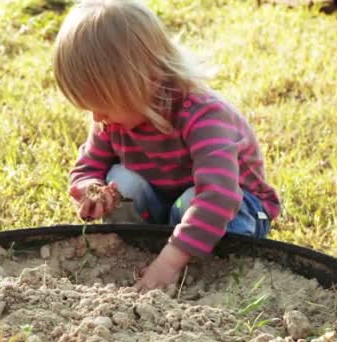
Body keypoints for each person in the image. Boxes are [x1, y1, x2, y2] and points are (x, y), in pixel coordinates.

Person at [52, 0, 281, 291]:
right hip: (168, 207)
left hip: (235, 206)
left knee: (193, 199)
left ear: (143, 81)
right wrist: (90, 191)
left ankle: (206, 265)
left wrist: (170, 262)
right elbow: (88, 167)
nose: (97, 118)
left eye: (104, 108)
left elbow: (219, 196)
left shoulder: (203, 115)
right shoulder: (114, 119)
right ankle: (148, 243)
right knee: (121, 181)